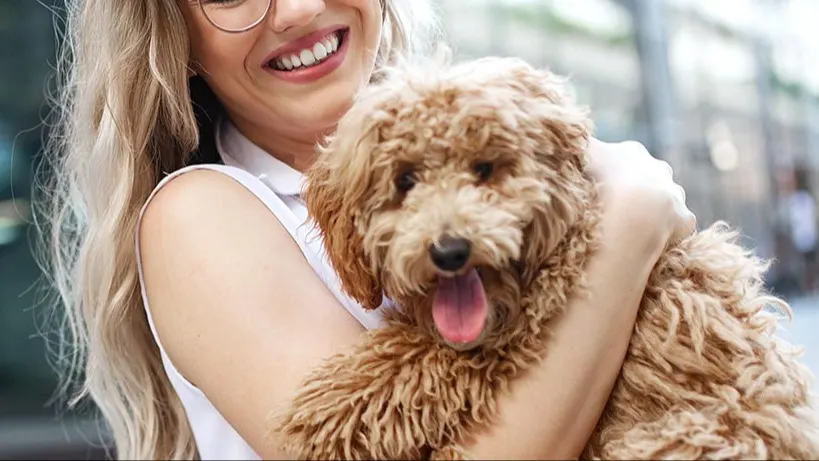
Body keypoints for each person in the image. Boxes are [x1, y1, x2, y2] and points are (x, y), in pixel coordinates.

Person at [37, 0, 696, 459]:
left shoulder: (493, 125)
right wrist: (629, 224)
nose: (295, 9)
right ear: (174, 40)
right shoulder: (199, 215)